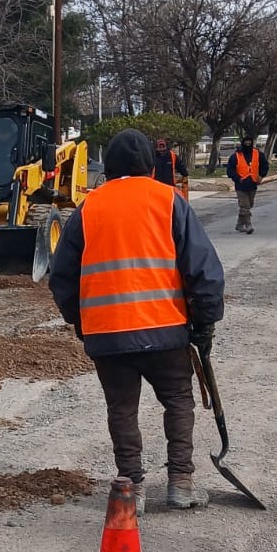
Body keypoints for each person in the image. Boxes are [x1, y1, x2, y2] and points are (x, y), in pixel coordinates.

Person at [49, 128, 225, 512]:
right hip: (165, 331)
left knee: (122, 409)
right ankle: (181, 483)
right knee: (178, 401)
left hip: (108, 337)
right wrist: (205, 322)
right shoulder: (169, 201)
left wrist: (81, 322)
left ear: (107, 169)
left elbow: (61, 276)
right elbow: (203, 269)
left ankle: (131, 491)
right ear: (150, 165)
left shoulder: (89, 208)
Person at [226, 132, 269, 233]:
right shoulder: (235, 156)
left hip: (253, 183)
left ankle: (239, 224)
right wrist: (237, 178)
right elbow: (230, 170)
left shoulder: (258, 154)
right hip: (241, 185)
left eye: (250, 143)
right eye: (246, 143)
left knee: (249, 205)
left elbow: (265, 165)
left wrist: (261, 175)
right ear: (242, 143)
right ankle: (248, 225)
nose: (248, 145)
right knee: (244, 205)